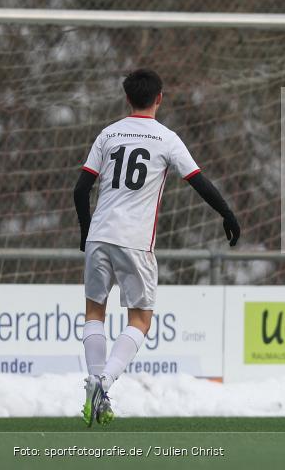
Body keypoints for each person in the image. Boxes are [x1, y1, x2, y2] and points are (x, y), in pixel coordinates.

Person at [73, 69, 240, 426]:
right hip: (135, 241)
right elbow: (199, 182)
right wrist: (226, 213)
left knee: (94, 313)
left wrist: (86, 231)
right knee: (141, 319)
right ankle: (104, 382)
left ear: (127, 98)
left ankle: (93, 382)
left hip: (100, 235)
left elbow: (80, 189)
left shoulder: (108, 133)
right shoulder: (166, 139)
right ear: (159, 98)